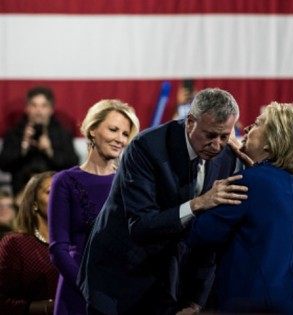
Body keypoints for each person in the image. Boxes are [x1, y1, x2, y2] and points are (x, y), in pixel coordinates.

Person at [78, 88, 247, 315]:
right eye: (210, 135)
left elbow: (211, 236)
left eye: (224, 136)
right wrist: (197, 204)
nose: (217, 145)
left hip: (170, 283)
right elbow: (140, 226)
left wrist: (196, 300)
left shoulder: (227, 157)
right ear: (190, 122)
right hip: (119, 280)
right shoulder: (146, 148)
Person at [186, 102, 293, 313]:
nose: (247, 129)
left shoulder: (249, 181)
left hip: (256, 304)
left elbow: (200, 234)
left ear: (271, 142)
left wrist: (204, 200)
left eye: (258, 124)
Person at [48, 100, 140, 315]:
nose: (120, 139)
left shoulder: (130, 182)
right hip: (76, 289)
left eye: (126, 134)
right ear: (92, 131)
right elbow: (58, 248)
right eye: (113, 129)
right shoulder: (65, 181)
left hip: (120, 289)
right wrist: (88, 287)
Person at [0, 86, 79, 195]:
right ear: (27, 108)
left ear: (51, 110)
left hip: (54, 193)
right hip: (22, 196)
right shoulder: (15, 133)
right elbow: (4, 165)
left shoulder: (62, 133)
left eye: (44, 106)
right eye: (34, 105)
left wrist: (50, 151)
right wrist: (23, 148)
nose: (38, 111)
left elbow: (73, 165)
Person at [0, 171, 58, 315]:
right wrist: (42, 308)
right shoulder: (15, 244)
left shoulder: (80, 242)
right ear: (34, 204)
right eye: (51, 191)